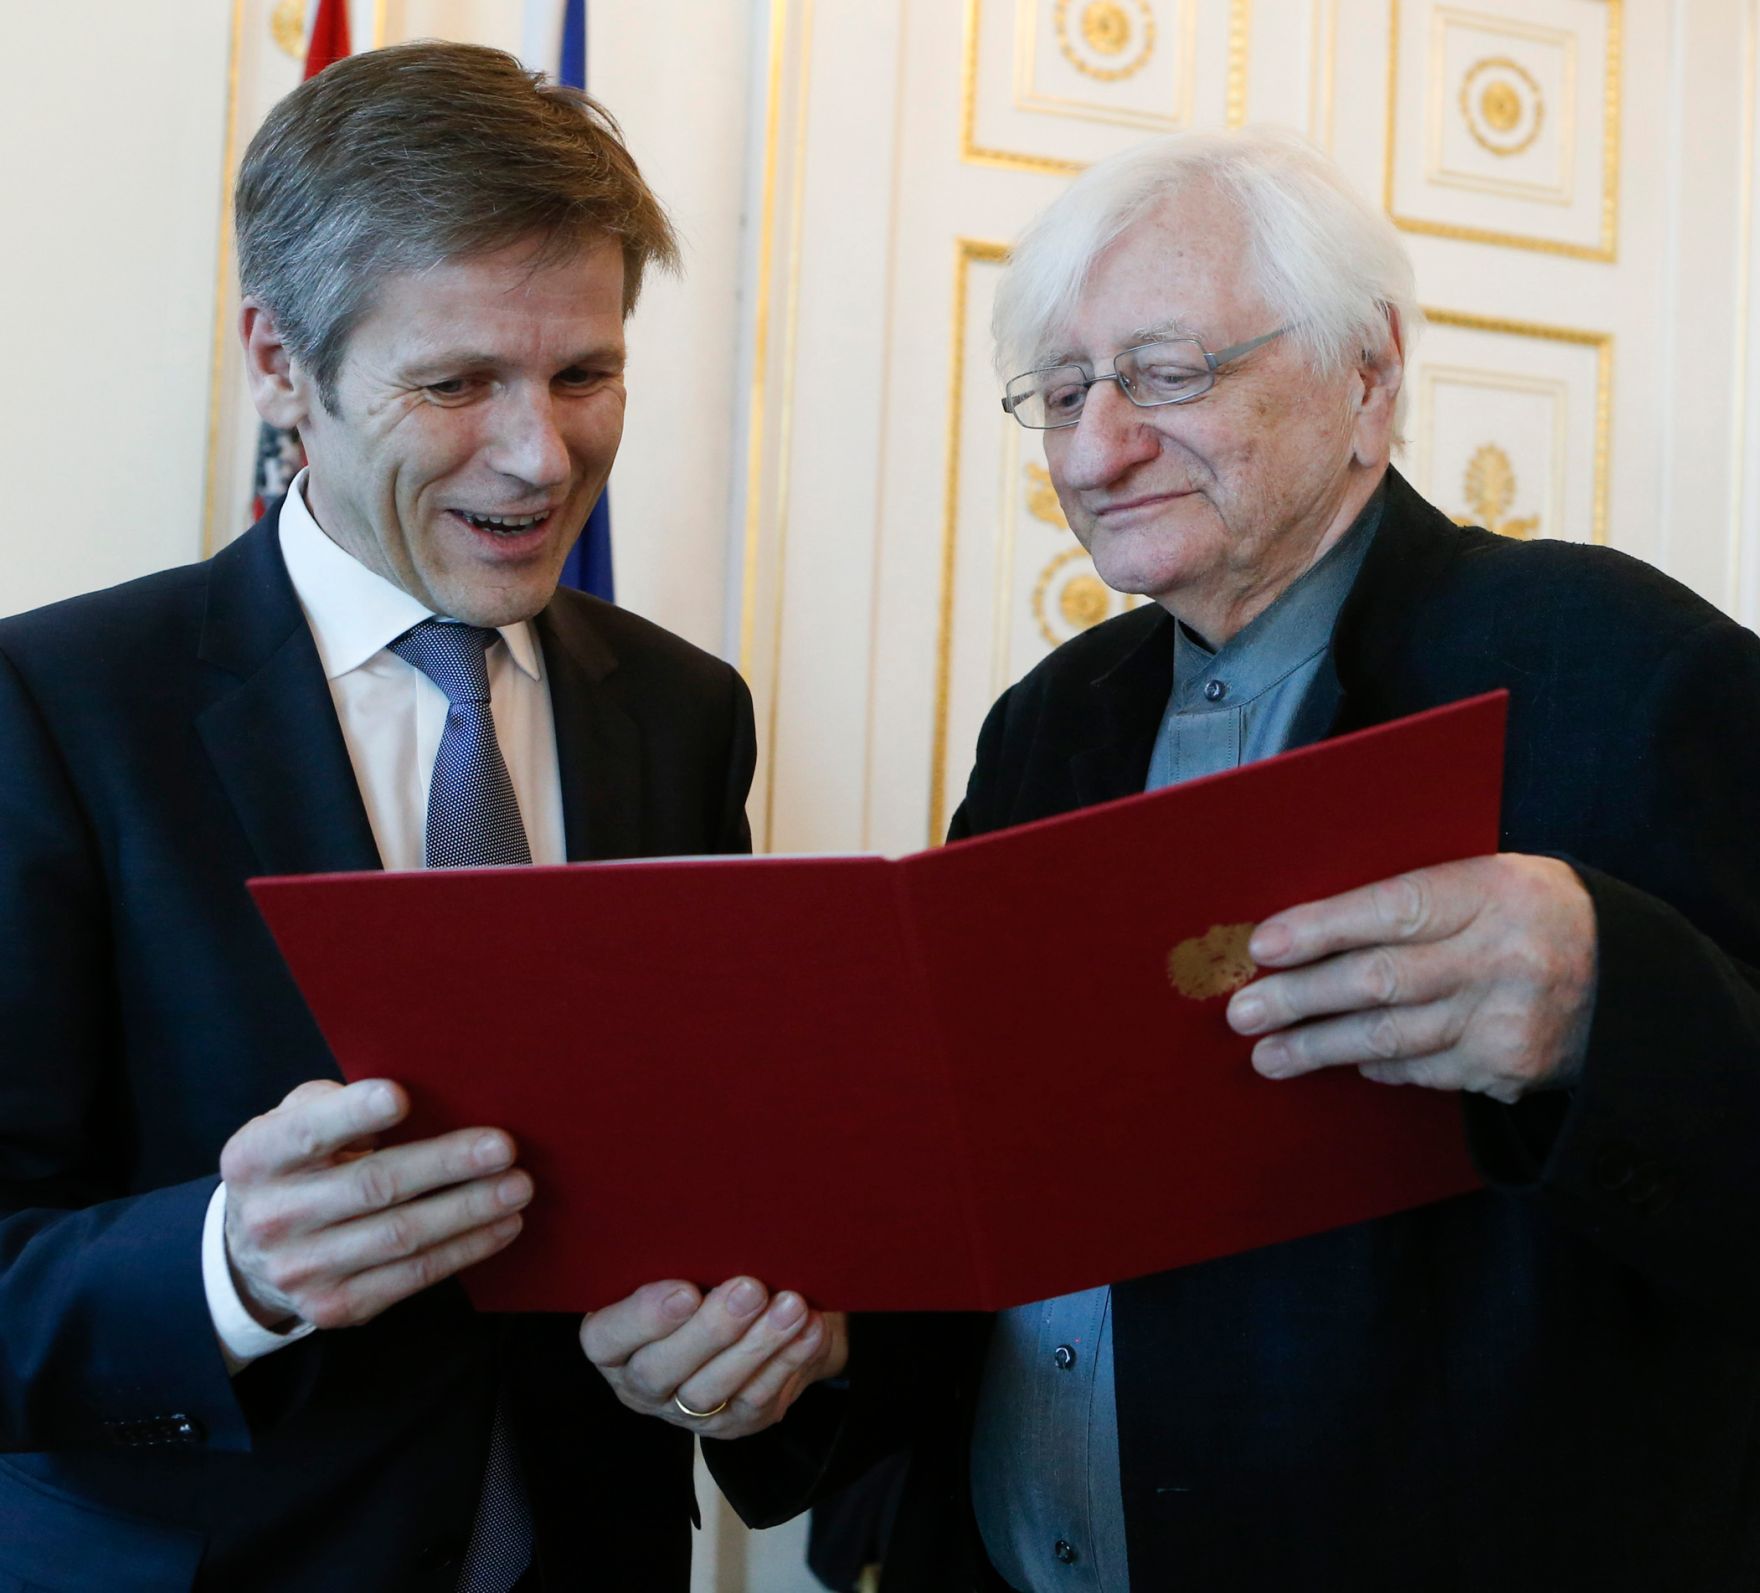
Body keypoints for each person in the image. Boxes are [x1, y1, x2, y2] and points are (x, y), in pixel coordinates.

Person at [588, 127, 1760, 1590]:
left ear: (1370, 377)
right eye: (1065, 391)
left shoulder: (1622, 668)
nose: (1094, 449)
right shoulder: (1050, 724)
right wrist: (797, 1362)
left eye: (1167, 373)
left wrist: (1609, 1004)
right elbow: (969, 1187)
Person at [0, 41, 839, 1592]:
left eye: (586, 374)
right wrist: (230, 1269)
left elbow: (722, 1159)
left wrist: (756, 1358)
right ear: (278, 362)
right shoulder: (52, 705)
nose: (541, 455)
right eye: (456, 383)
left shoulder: (682, 711)